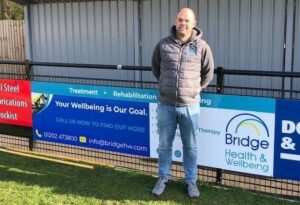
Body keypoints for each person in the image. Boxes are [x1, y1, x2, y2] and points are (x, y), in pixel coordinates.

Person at [151, 8, 214, 198]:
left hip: (190, 107)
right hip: (166, 105)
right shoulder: (163, 45)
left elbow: (208, 73)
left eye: (187, 20)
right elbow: (156, 69)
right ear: (175, 22)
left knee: (190, 146)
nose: (183, 23)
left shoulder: (202, 46)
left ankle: (191, 181)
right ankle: (163, 177)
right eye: (180, 20)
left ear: (194, 24)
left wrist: (194, 90)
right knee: (164, 145)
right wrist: (166, 86)